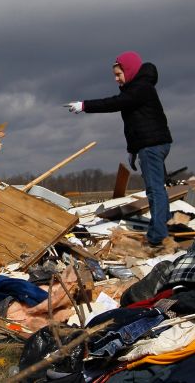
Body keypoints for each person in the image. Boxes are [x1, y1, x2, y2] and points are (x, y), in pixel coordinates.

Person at [65, 51, 173, 246]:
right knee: (158, 186)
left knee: (154, 189)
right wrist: (133, 149)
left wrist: (85, 105)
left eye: (118, 74)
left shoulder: (140, 89)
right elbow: (134, 126)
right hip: (153, 143)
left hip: (151, 146)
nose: (116, 79)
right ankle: (164, 222)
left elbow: (115, 103)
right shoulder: (137, 88)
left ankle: (157, 236)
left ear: (129, 70)